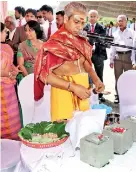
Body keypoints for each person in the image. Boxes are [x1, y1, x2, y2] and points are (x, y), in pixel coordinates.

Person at [34, 2, 105, 122]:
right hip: (63, 92)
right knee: (65, 134)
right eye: (76, 22)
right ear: (66, 19)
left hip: (82, 91)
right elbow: (44, 75)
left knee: (82, 133)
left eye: (83, 23)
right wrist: (73, 87)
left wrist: (97, 80)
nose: (80, 27)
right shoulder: (55, 43)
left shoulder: (82, 41)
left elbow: (86, 64)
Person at [0, 22, 21, 139]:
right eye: (3, 31)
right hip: (4, 88)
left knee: (9, 116)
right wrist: (9, 73)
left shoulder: (7, 47)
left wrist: (13, 72)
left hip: (8, 89)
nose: (5, 33)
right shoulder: (5, 48)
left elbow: (11, 66)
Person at [110, 15, 136, 104]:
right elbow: (112, 48)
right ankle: (118, 96)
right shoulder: (114, 33)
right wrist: (111, 60)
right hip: (118, 57)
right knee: (118, 77)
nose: (120, 23)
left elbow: (133, 48)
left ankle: (129, 96)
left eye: (122, 21)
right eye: (119, 21)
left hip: (128, 56)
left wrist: (133, 61)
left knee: (129, 78)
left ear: (126, 22)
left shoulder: (132, 33)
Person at [84, 10, 107, 102]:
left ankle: (100, 94)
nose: (92, 18)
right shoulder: (84, 27)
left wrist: (94, 38)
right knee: (88, 75)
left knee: (99, 74)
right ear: (88, 17)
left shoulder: (102, 28)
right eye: (91, 16)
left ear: (97, 18)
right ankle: (89, 93)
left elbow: (103, 40)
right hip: (87, 55)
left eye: (94, 16)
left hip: (98, 54)